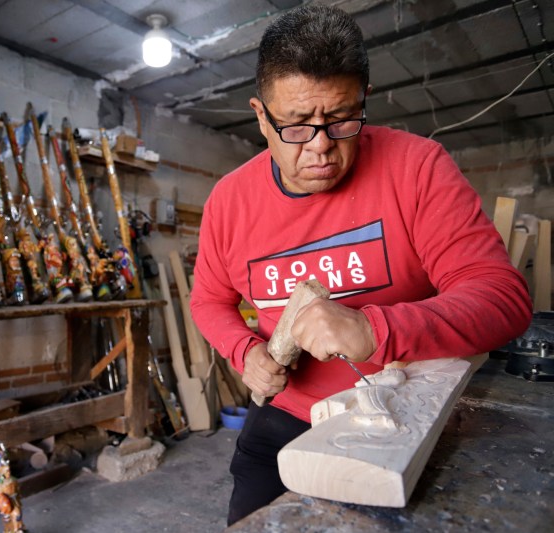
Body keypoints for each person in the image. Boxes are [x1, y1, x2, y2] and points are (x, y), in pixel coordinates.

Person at [189, 4, 532, 526]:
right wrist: (245, 351)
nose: (322, 146)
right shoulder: (228, 201)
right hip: (280, 417)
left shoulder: (417, 167)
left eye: (342, 118)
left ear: (364, 99)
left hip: (395, 422)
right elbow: (208, 300)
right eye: (297, 125)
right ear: (261, 117)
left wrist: (375, 327)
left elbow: (502, 299)